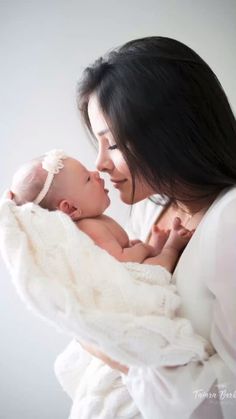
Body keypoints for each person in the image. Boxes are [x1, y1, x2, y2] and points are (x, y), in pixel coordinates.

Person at [75, 36, 236, 418]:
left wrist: (122, 356)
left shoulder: (229, 221)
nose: (98, 163)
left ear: (168, 132)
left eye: (111, 144)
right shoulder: (149, 214)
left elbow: (230, 398)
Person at [10, 149, 193, 271]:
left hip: (130, 264)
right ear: (70, 208)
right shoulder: (89, 228)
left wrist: (136, 245)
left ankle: (158, 247)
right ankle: (172, 247)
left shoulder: (95, 221)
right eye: (87, 179)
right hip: (133, 278)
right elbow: (121, 261)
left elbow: (119, 249)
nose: (96, 173)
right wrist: (145, 248)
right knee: (157, 268)